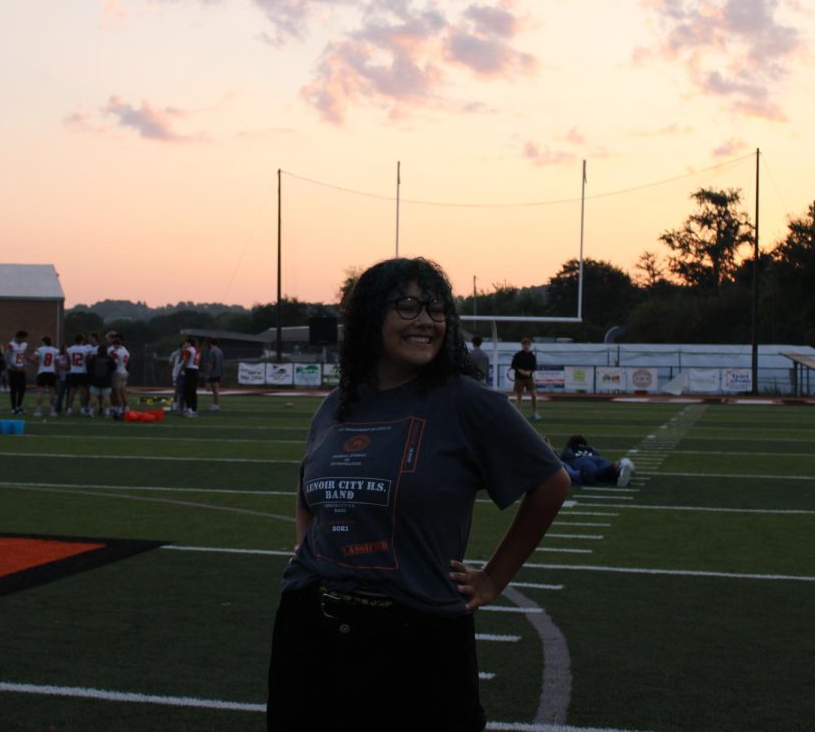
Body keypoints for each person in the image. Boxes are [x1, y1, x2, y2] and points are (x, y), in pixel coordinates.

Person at [266, 257, 571, 732]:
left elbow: (552, 483)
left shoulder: (466, 401)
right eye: (407, 306)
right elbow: (309, 488)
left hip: (419, 635)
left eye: (435, 309)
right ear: (371, 316)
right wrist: (305, 547)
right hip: (312, 630)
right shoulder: (336, 405)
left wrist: (492, 580)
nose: (425, 321)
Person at [558, 434, 635, 487]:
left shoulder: (569, 449)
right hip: (599, 459)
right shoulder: (590, 448)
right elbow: (597, 454)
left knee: (594, 475)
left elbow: (562, 460)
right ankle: (619, 470)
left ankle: (614, 466)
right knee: (604, 472)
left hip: (583, 460)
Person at [511, 337, 541, 421]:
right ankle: (518, 413)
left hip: (529, 378)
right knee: (519, 396)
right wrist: (520, 370)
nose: (526, 346)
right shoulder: (517, 355)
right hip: (519, 378)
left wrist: (529, 372)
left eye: (527, 344)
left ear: (530, 345)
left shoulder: (532, 356)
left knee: (534, 395)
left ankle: (535, 412)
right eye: (524, 344)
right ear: (522, 345)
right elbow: (513, 365)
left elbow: (534, 367)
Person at [30, 335, 61, 417]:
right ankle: (52, 411)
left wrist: (38, 364)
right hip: (51, 372)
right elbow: (58, 362)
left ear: (43, 342)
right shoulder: (55, 350)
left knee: (40, 391)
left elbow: (32, 359)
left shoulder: (39, 349)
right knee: (52, 392)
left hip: (42, 372)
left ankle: (38, 411)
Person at [86, 344, 115, 417]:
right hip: (106, 380)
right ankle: (107, 412)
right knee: (106, 396)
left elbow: (89, 367)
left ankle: (91, 412)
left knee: (93, 397)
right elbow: (113, 367)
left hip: (95, 380)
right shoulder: (109, 358)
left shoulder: (94, 358)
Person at [5, 330, 29, 414]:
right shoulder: (11, 344)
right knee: (14, 389)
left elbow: (22, 356)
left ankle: (19, 406)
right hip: (13, 370)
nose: (25, 340)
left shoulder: (23, 345)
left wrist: (24, 365)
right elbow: (7, 358)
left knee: (22, 388)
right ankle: (13, 408)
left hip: (21, 369)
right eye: (24, 338)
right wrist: (15, 367)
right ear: (20, 337)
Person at [108, 332, 130, 416]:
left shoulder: (116, 352)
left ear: (116, 344)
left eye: (114, 345)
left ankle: (120, 409)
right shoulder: (125, 350)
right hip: (124, 372)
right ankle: (126, 408)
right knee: (123, 392)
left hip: (117, 373)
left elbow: (114, 363)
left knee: (117, 393)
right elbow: (127, 362)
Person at [179, 336, 200, 418]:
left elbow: (185, 361)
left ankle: (189, 410)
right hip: (195, 370)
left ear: (189, 343)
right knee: (193, 392)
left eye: (186, 343)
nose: (185, 344)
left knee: (186, 391)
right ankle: (194, 410)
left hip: (189, 371)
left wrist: (181, 369)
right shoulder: (197, 350)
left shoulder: (188, 350)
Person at [204, 337, 224, 411]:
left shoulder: (212, 351)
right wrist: (222, 373)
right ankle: (215, 404)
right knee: (216, 390)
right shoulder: (220, 351)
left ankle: (216, 405)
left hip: (213, 373)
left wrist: (207, 374)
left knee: (215, 390)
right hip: (218, 372)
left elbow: (210, 364)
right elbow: (222, 363)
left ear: (210, 343)